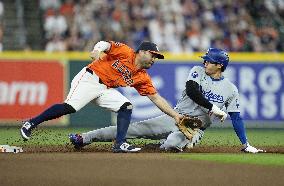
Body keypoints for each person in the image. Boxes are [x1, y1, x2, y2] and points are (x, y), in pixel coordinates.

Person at [69, 48, 264, 153]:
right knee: (130, 129)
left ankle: (158, 145)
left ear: (220, 65)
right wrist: (213, 107)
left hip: (194, 129)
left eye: (209, 60)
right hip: (175, 117)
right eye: (205, 59)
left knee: (171, 145)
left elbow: (236, 118)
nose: (205, 62)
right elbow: (192, 91)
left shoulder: (231, 89)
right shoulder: (197, 72)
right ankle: (84, 138)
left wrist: (246, 144)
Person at [20, 41, 183, 153]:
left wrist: (175, 115)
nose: (154, 59)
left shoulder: (142, 77)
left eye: (156, 57)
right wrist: (97, 50)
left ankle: (119, 144)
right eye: (153, 55)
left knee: (126, 106)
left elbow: (156, 99)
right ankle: (31, 123)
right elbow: (106, 44)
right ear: (141, 51)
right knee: (70, 107)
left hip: (104, 88)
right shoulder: (126, 52)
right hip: (89, 78)